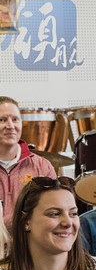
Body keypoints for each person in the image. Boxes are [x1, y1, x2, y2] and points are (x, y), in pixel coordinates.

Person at [0, 96, 57, 230]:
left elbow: (53, 212)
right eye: (2, 120)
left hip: (31, 246)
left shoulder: (42, 167)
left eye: (15, 119)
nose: (10, 126)